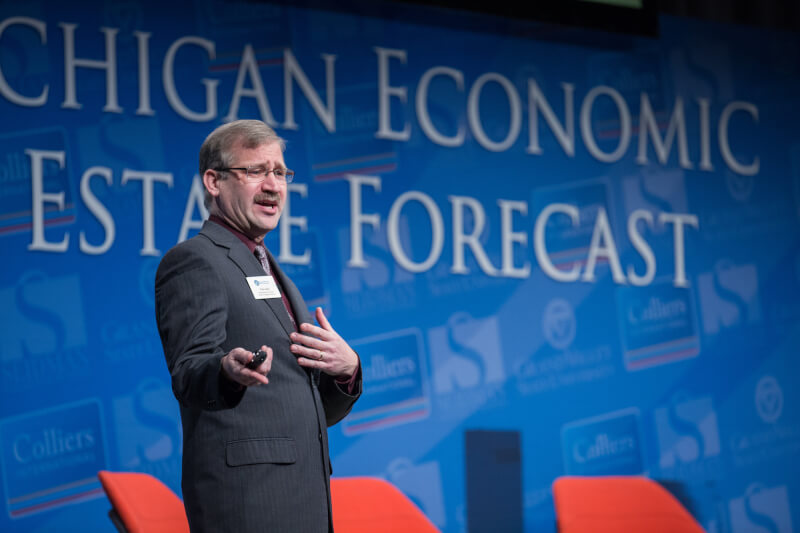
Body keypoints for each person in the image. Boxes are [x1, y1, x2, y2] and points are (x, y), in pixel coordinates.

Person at [155, 119, 361, 532]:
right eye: (255, 171)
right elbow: (190, 372)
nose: (273, 185)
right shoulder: (196, 260)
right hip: (248, 502)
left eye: (280, 172)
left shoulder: (271, 271)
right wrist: (225, 371)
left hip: (303, 499)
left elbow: (306, 404)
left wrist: (345, 371)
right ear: (213, 181)